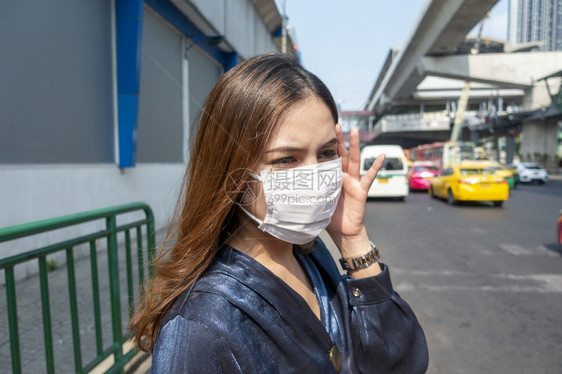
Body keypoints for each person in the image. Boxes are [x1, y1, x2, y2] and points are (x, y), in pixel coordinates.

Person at [129, 53, 428, 373]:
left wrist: (353, 241)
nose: (315, 176)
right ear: (235, 172)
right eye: (287, 159)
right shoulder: (200, 329)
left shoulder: (311, 256)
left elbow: (401, 363)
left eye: (327, 153)